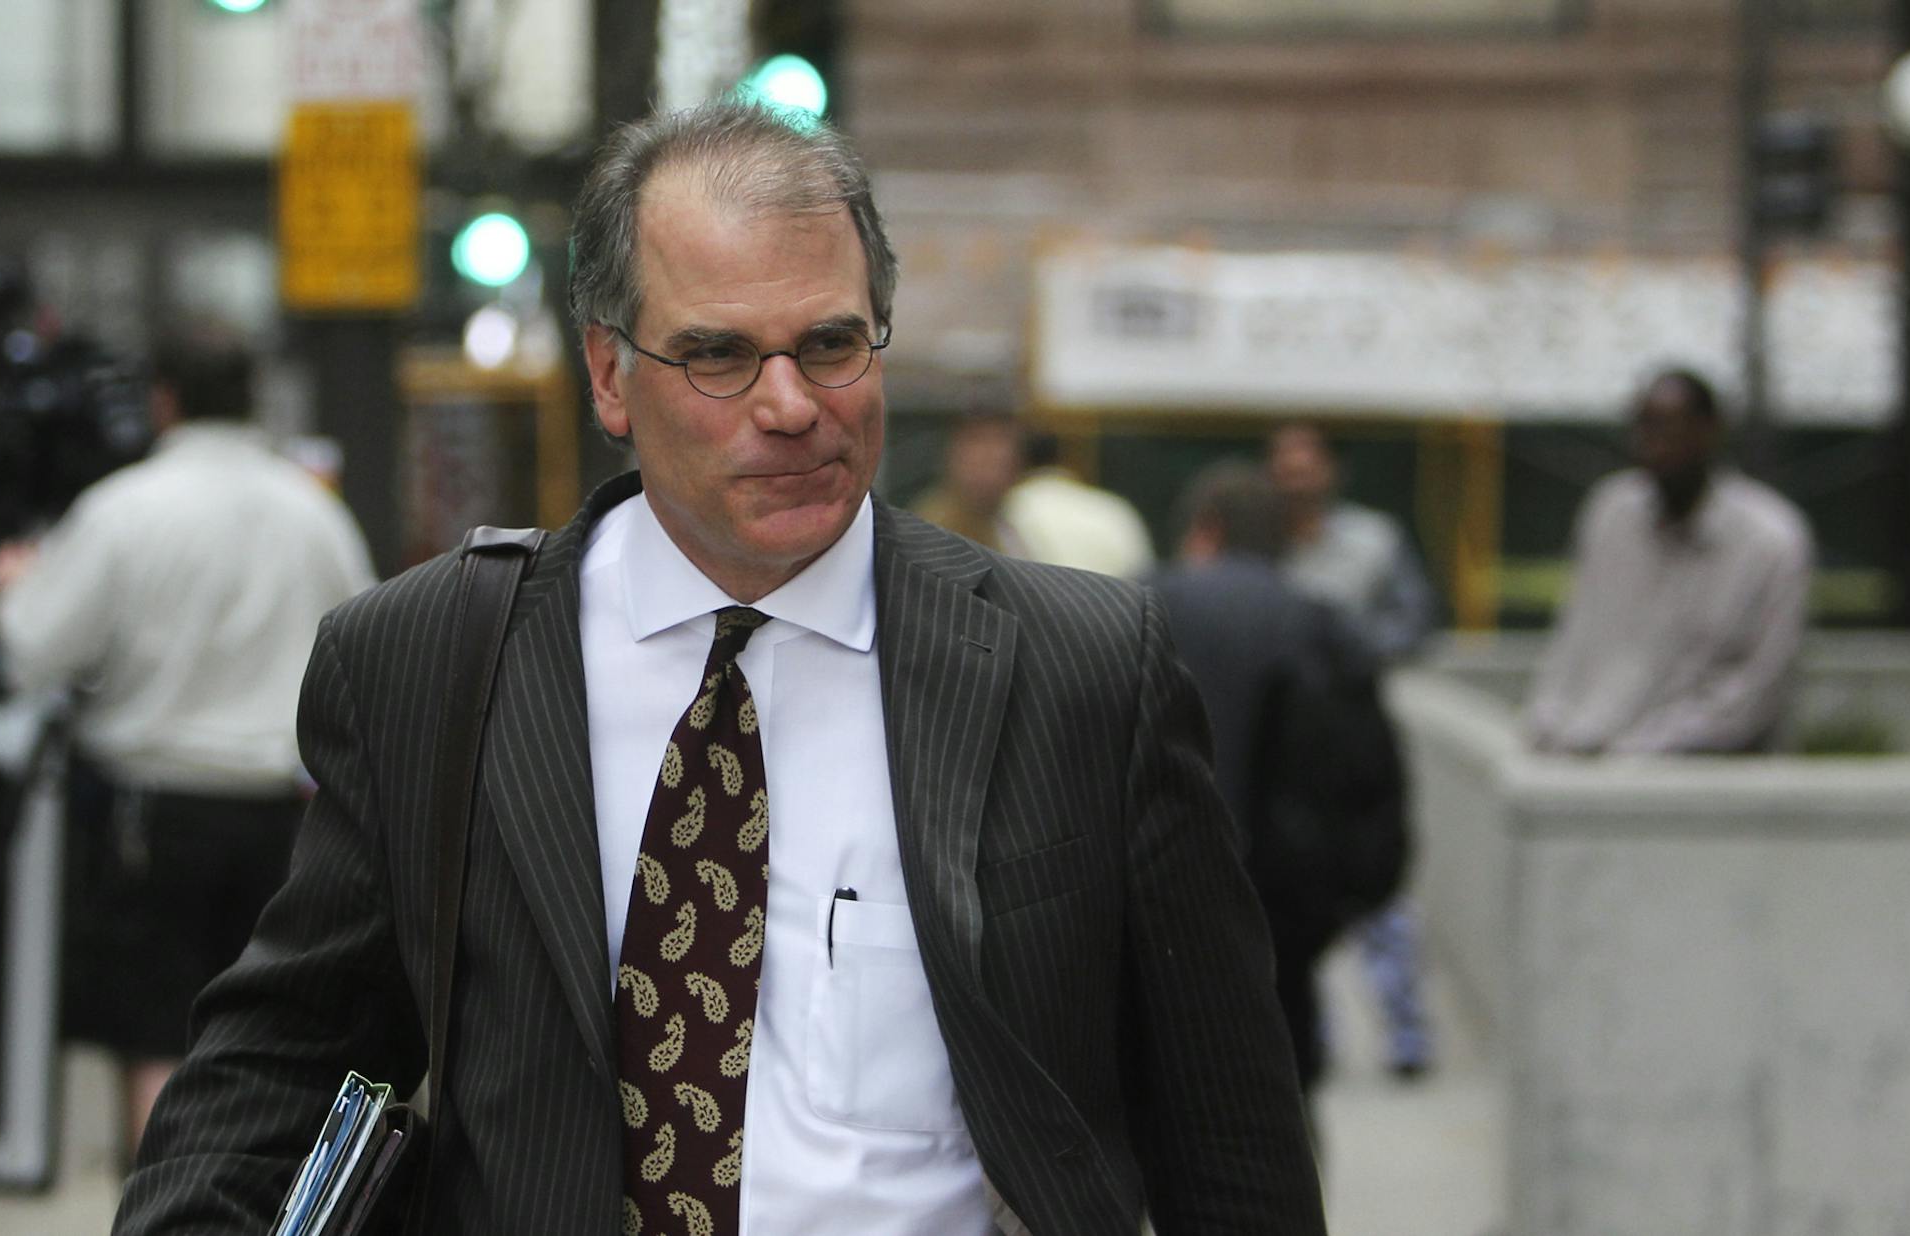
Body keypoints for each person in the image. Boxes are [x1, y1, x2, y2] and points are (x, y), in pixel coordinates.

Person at [115, 101, 1323, 1236]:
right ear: (607, 376)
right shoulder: (430, 664)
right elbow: (274, 1070)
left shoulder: (1081, 670)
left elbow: (1231, 1147)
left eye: (831, 343)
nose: (792, 405)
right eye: (719, 357)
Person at [0, 329, 375, 1161]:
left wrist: (14, 584)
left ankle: (165, 1209)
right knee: (270, 1038)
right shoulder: (314, 513)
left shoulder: (125, 509)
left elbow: (32, 652)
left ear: (164, 398)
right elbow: (369, 658)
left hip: (149, 818)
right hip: (285, 823)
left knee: (157, 1034)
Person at [1154, 462, 1406, 1096]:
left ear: (1204, 531)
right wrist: (1342, 903)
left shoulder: (1132, 610)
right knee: (1281, 1113)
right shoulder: (1325, 626)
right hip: (1284, 933)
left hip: (1152, 936)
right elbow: (1374, 784)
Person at [1264, 420, 1436, 1080]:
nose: (1296, 477)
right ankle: (1317, 1042)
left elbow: (1416, 620)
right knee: (1295, 901)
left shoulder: (1374, 541)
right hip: (1285, 749)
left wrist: (1350, 653)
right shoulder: (1264, 545)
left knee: (1380, 892)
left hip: (1358, 742)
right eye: (1285, 464)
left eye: (1308, 463)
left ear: (1333, 470)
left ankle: (1408, 1038)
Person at [1527, 368, 1814, 755]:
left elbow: (1754, 694)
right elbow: (1575, 637)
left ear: (1709, 431)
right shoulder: (1611, 513)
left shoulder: (1770, 542)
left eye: (1670, 429)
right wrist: (1549, 724)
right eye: (1645, 427)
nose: (1654, 446)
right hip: (1588, 770)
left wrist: (1633, 753)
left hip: (1698, 791)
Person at [1267, 421, 1434, 663]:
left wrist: (1353, 647)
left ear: (1332, 469)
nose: (1297, 488)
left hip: (1355, 682)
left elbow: (1414, 620)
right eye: (1287, 475)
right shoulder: (1251, 541)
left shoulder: (1377, 536)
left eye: (1305, 474)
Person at [1002, 429, 1156, 579]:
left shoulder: (1011, 506)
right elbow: (1144, 574)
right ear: (1068, 457)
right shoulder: (1113, 507)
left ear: (1019, 460)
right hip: (1111, 601)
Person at [910, 409, 1025, 553]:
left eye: (998, 463)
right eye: (978, 440)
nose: (993, 453)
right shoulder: (934, 526)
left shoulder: (1016, 521)